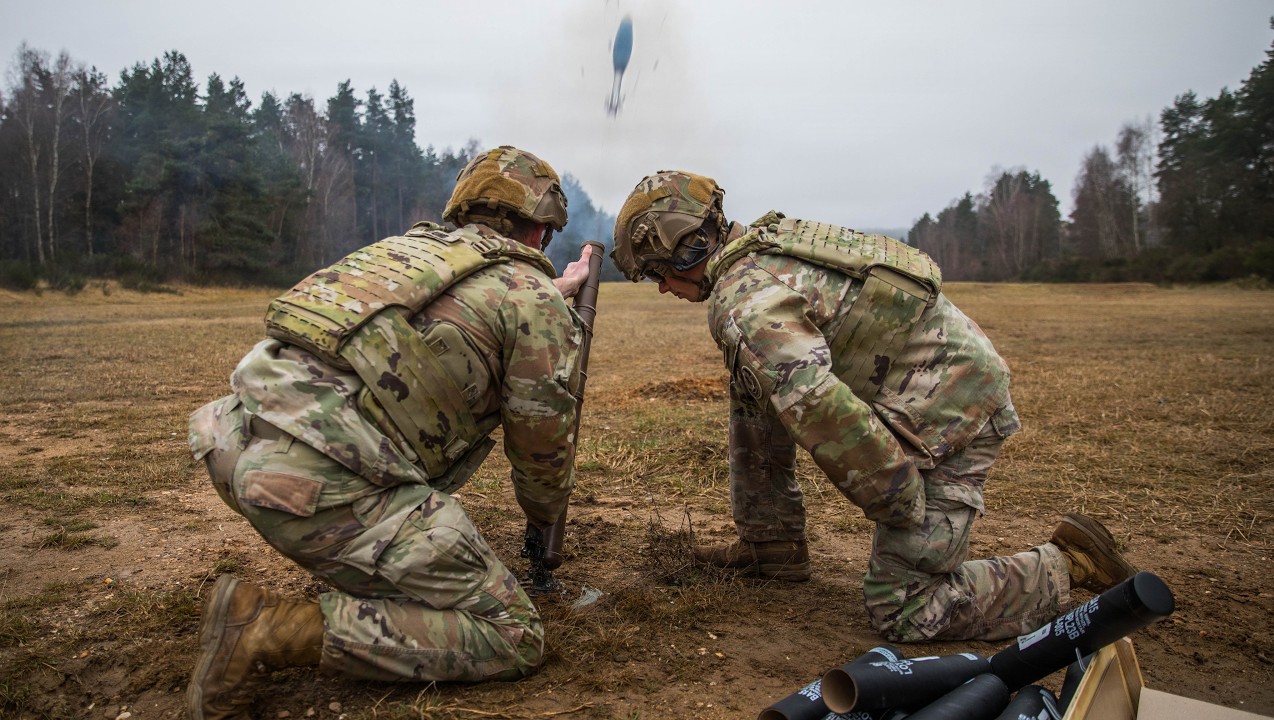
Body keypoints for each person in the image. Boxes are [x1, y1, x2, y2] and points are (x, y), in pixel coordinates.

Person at [609, 170, 1137, 643]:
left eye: (658, 272)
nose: (660, 289)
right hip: (938, 386)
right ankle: (772, 546)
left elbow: (820, 407)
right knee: (752, 386)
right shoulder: (765, 249)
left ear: (686, 252)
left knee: (905, 609)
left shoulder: (744, 302)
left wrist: (901, 504)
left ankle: (1071, 564)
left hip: (953, 416)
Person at [186, 146, 593, 719]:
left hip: (228, 442)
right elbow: (542, 448)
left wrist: (547, 296)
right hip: (318, 486)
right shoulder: (528, 296)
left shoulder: (406, 252)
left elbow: (455, 314)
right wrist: (545, 518)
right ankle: (267, 630)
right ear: (540, 230)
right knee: (512, 632)